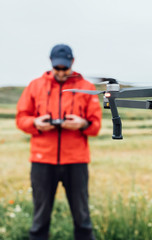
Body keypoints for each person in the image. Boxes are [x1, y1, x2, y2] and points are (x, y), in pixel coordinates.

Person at [16, 44, 102, 240]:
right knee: (40, 218)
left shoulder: (87, 88)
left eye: (65, 68)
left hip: (76, 161)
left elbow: (96, 126)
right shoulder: (35, 86)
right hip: (42, 160)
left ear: (72, 63)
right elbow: (21, 118)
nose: (61, 72)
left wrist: (82, 124)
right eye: (58, 68)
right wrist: (35, 123)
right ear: (51, 63)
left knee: (82, 218)